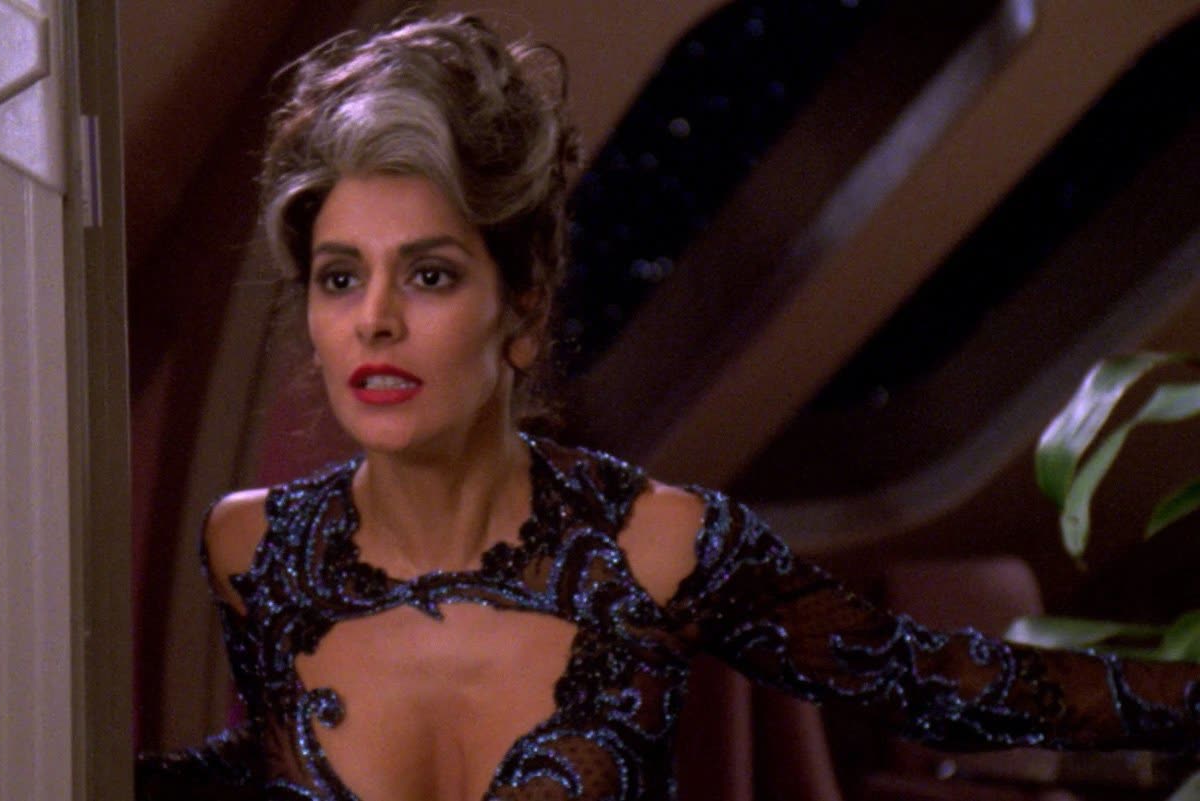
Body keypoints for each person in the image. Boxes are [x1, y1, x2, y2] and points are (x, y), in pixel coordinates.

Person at [137, 13, 1200, 801]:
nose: (372, 320)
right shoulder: (253, 548)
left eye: (428, 275)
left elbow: (945, 684)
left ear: (522, 308)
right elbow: (271, 758)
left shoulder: (657, 548)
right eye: (339, 277)